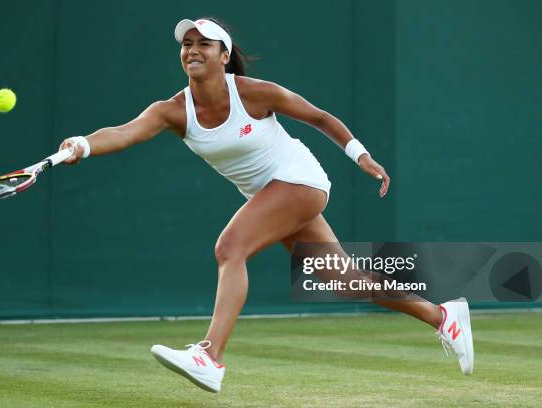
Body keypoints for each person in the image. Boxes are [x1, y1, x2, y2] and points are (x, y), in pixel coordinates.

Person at [59, 17, 474, 393]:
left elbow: (320, 117)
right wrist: (83, 144)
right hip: (270, 196)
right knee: (345, 280)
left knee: (230, 247)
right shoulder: (172, 110)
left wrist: (360, 156)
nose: (192, 50)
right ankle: (444, 317)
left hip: (300, 181)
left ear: (224, 56)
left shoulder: (255, 93)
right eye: (187, 44)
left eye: (204, 43)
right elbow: (124, 132)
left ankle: (209, 355)